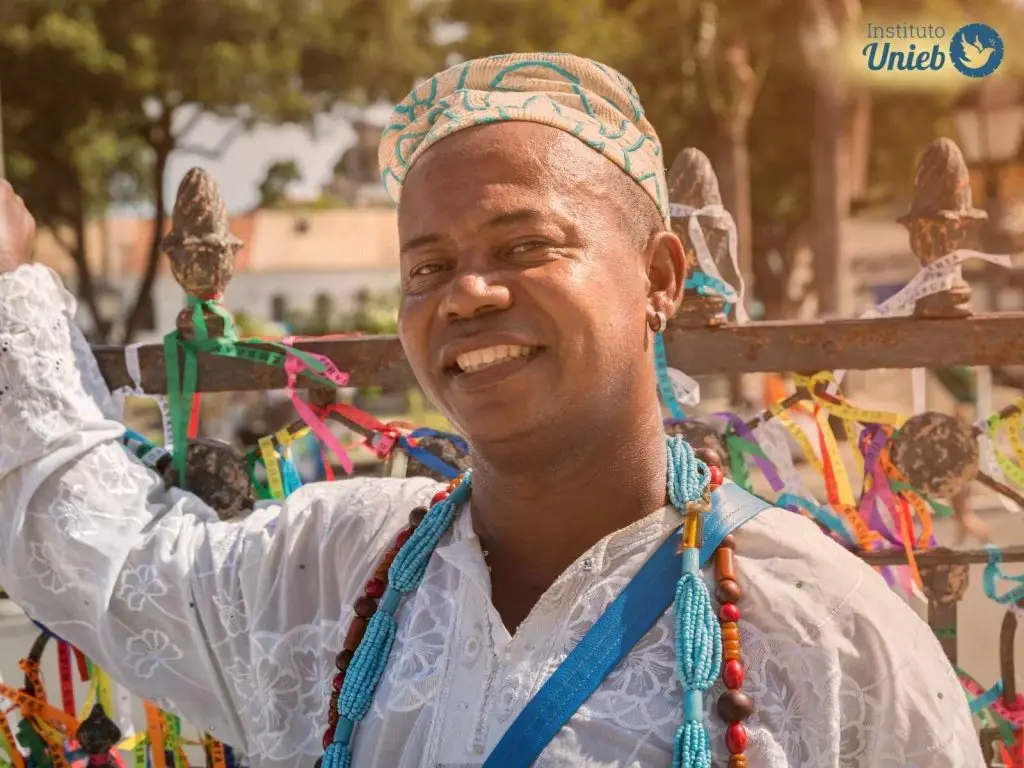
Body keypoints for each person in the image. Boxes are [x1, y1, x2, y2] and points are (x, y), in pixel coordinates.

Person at [0, 53, 982, 768]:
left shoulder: (828, 637)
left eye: (523, 246)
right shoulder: (332, 573)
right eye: (428, 266)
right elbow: (107, 557)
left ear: (660, 276)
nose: (465, 294)